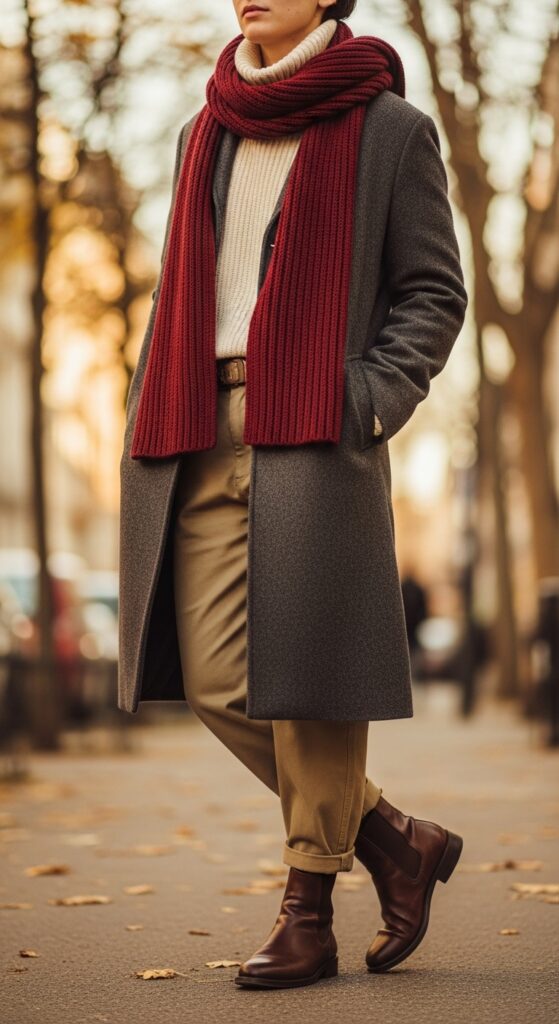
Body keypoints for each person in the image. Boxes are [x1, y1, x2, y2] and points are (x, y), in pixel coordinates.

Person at [117, 0, 468, 990]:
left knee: (311, 677)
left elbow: (433, 293)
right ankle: (393, 839)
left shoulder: (389, 129)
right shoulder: (205, 128)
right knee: (217, 679)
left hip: (313, 423)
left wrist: (364, 400)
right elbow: (182, 290)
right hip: (197, 421)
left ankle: (306, 914)